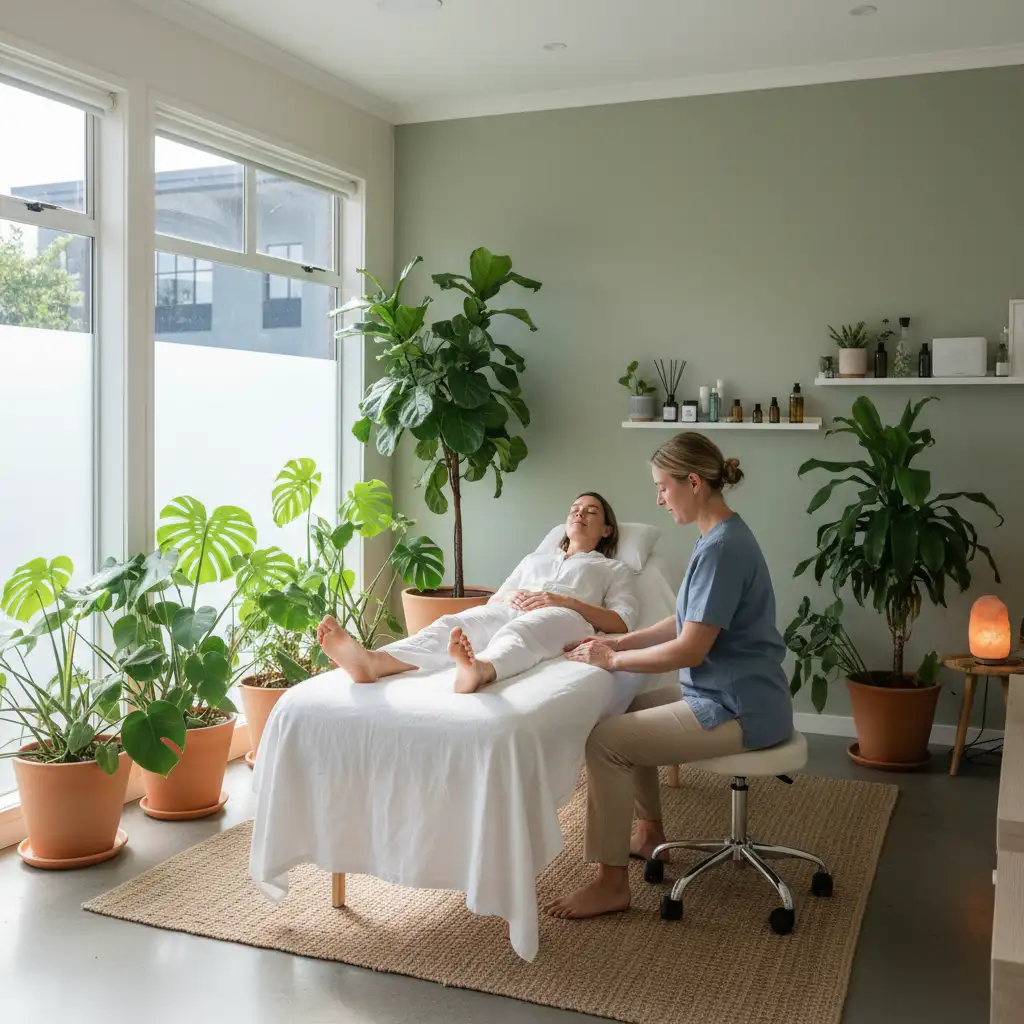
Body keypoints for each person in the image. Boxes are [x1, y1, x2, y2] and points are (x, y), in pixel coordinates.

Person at [544, 433, 792, 920]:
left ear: (694, 482)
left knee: (606, 742)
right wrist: (617, 641)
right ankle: (649, 831)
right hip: (731, 694)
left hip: (739, 708)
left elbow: (689, 648)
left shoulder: (722, 549)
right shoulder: (718, 536)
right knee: (630, 708)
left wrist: (609, 661)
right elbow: (684, 620)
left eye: (663, 487)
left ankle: (611, 883)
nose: (658, 498)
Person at [317, 492, 639, 695]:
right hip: (513, 606)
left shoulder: (613, 569)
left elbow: (622, 621)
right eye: (574, 509)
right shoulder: (535, 560)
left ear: (606, 530)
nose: (579, 514)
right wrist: (507, 597)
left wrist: (565, 601)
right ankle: (373, 662)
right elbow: (498, 596)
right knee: (454, 623)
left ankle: (480, 670)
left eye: (590, 511)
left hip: (565, 618)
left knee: (522, 630)